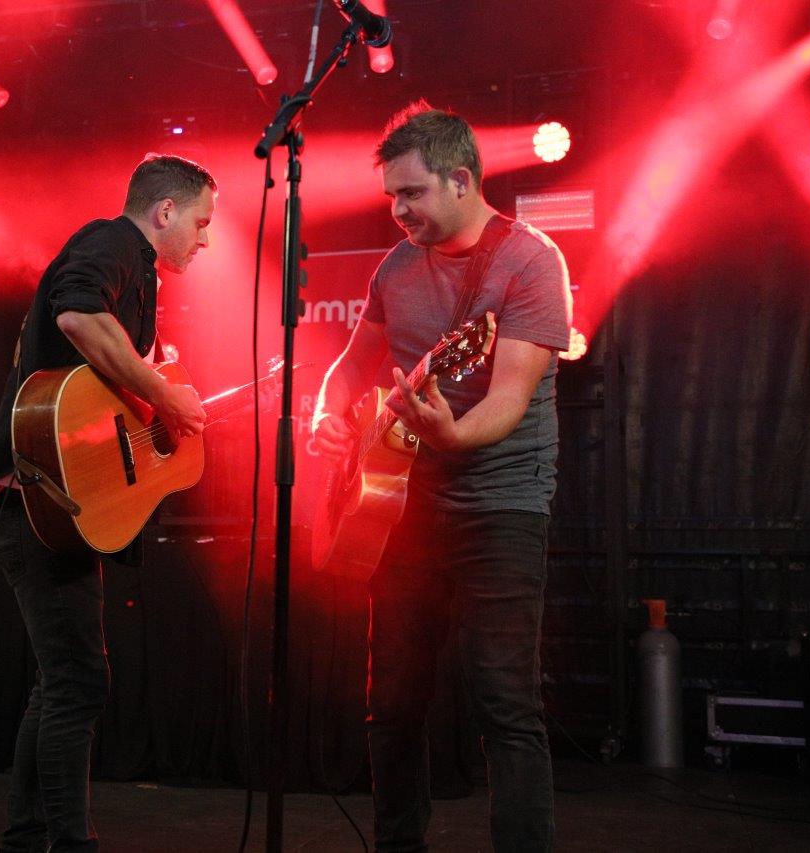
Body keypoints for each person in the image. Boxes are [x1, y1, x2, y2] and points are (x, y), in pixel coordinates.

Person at [312, 102, 571, 852]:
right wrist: (326, 414)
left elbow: (508, 401)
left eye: (412, 193)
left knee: (505, 703)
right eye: (391, 196)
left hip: (503, 503)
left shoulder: (529, 261)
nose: (398, 211)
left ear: (461, 180)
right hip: (404, 508)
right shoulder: (395, 267)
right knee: (391, 703)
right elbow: (348, 366)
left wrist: (451, 434)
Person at [0, 153, 216, 852]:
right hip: (34, 504)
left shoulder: (139, 273)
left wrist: (157, 400)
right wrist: (163, 394)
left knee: (63, 682)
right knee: (78, 680)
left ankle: (26, 838)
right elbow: (78, 314)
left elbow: (105, 392)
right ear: (164, 212)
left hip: (58, 506)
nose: (205, 239)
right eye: (200, 223)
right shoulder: (113, 242)